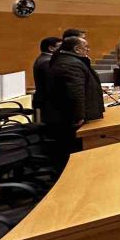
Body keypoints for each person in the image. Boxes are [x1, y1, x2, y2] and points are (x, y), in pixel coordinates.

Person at [44, 36, 104, 169]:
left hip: (66, 116)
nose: (88, 50)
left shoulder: (66, 60)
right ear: (77, 49)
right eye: (86, 47)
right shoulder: (71, 63)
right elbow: (76, 92)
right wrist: (79, 116)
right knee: (73, 152)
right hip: (70, 118)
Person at [33, 36, 62, 118]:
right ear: (51, 48)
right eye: (60, 46)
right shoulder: (47, 61)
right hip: (50, 102)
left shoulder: (44, 58)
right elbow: (52, 84)